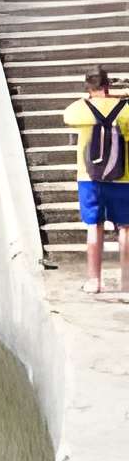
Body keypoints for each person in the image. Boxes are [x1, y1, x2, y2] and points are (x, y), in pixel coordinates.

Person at [63, 67, 129, 296]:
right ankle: (127, 282)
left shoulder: (81, 109)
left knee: (95, 226)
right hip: (123, 177)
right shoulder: (125, 108)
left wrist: (88, 99)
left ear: (88, 88)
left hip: (89, 178)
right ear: (108, 85)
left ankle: (94, 281)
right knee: (126, 228)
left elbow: (67, 116)